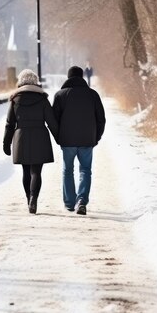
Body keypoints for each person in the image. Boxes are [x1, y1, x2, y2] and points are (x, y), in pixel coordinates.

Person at [3, 69, 59, 214]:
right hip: (40, 136)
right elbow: (51, 121)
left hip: (21, 137)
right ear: (35, 81)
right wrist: (59, 137)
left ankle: (29, 199)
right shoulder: (42, 99)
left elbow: (10, 124)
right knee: (36, 172)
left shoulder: (15, 100)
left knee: (26, 171)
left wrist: (6, 143)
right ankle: (34, 199)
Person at [53, 65, 106, 215]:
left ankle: (70, 203)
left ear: (68, 77)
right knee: (85, 170)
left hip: (67, 141)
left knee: (67, 170)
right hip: (87, 140)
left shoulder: (60, 95)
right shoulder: (93, 95)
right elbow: (101, 119)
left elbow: (53, 120)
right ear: (82, 77)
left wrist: (59, 137)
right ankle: (81, 201)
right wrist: (96, 137)